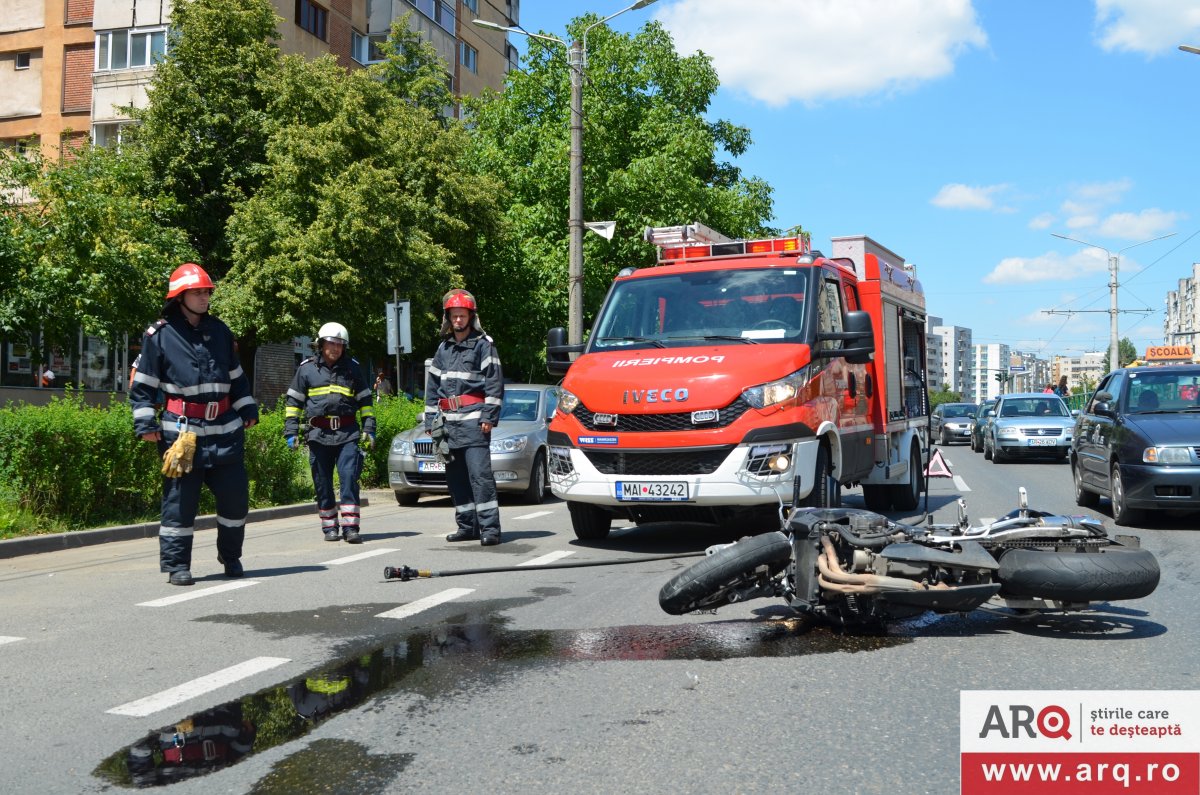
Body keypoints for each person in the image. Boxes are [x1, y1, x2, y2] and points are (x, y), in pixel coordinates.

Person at [129, 263, 259, 586]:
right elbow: (142, 385)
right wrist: (145, 423)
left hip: (225, 433)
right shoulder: (159, 336)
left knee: (235, 500)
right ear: (180, 296)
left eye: (207, 292)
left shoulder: (220, 331)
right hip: (181, 434)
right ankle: (177, 566)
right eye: (198, 292)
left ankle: (231, 556)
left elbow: (236, 378)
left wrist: (247, 408)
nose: (205, 298)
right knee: (179, 503)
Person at [425, 289, 505, 546]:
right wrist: (430, 422)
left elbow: (494, 384)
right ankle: (467, 526)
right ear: (448, 318)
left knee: (480, 478)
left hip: (474, 424)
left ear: (471, 317)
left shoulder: (484, 346)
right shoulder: (443, 348)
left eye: (462, 316)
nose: (458, 320)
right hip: (448, 425)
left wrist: (489, 416)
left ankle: (490, 529)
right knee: (456, 478)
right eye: (454, 316)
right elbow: (432, 387)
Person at [284, 322, 375, 544]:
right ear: (321, 344)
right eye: (331, 343)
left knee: (348, 479)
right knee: (322, 482)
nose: (335, 348)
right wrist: (291, 431)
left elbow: (365, 401)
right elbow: (293, 402)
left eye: (340, 344)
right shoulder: (306, 369)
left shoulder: (353, 368)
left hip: (347, 434)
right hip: (318, 434)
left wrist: (369, 428)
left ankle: (351, 527)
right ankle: (329, 528)